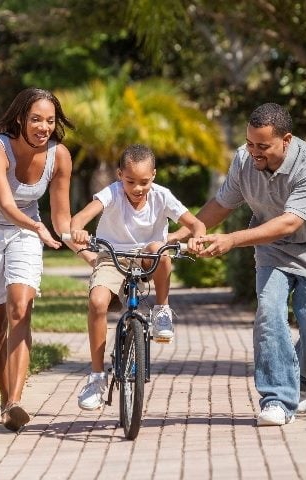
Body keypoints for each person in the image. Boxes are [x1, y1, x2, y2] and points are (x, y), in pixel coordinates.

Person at [180, 103, 306, 426]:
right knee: (269, 312)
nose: (253, 152)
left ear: (286, 140)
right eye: (249, 143)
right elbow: (222, 204)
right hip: (273, 251)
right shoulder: (244, 161)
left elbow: (289, 222)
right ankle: (276, 399)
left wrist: (232, 240)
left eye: (263, 146)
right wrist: (182, 233)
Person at [0, 87, 82, 431]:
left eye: (50, 120)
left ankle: (14, 401)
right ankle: (4, 397)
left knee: (20, 309)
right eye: (36, 119)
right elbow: (6, 205)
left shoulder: (60, 157)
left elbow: (61, 220)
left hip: (25, 232)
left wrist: (82, 249)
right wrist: (39, 227)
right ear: (20, 119)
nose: (43, 127)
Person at [68, 144, 206, 411]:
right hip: (112, 256)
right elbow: (81, 217)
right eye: (130, 181)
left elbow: (195, 224)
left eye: (144, 181)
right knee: (97, 302)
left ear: (153, 175)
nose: (137, 188)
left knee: (160, 248)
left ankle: (162, 309)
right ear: (120, 174)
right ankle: (96, 377)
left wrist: (198, 235)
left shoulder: (162, 196)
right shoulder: (112, 193)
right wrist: (78, 231)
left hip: (147, 256)